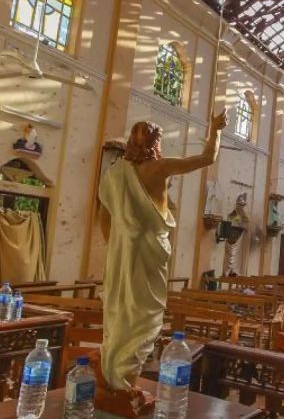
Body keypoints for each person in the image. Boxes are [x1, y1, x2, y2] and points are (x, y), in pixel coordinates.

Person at [97, 111, 226, 390]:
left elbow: (104, 218)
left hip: (123, 252)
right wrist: (215, 129)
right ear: (156, 142)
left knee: (121, 310)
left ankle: (114, 379)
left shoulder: (115, 173)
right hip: (150, 250)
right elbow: (207, 158)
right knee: (145, 314)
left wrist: (119, 247)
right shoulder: (160, 167)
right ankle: (124, 384)